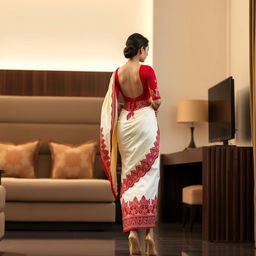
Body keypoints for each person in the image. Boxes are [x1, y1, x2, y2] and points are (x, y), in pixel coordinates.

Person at [100, 33, 161, 256]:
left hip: (125, 124)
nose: (148, 53)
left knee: (129, 176)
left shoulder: (117, 74)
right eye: (147, 49)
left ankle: (132, 233)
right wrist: (155, 106)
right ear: (140, 49)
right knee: (149, 175)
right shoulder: (147, 71)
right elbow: (157, 99)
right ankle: (149, 236)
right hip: (144, 120)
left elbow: (114, 105)